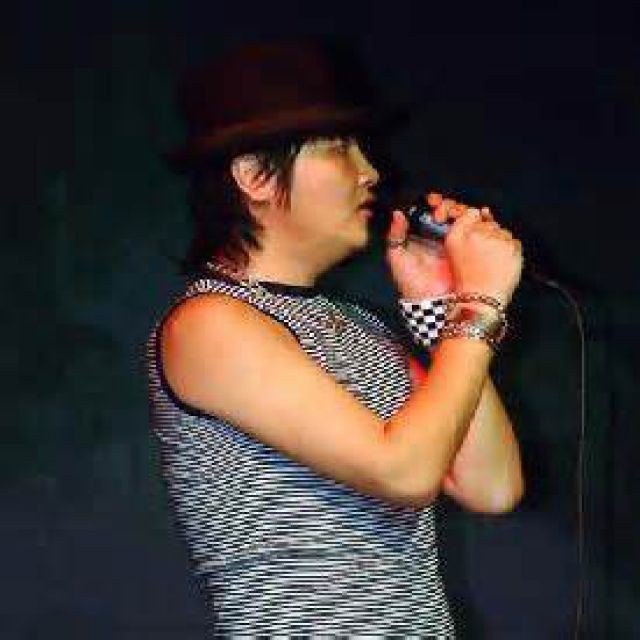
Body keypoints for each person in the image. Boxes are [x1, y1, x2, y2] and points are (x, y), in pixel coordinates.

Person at [146, 40, 524, 637]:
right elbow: (403, 473)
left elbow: (492, 485)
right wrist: (480, 307)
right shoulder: (208, 324)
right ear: (254, 176)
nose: (370, 172)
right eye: (338, 148)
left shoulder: (363, 327)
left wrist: (442, 310)